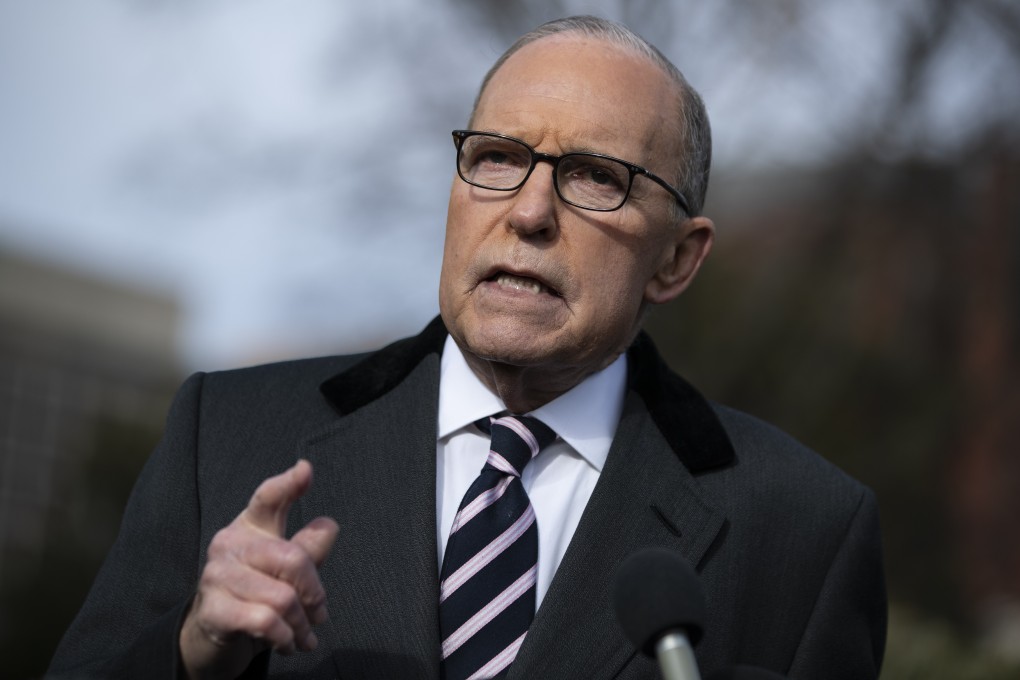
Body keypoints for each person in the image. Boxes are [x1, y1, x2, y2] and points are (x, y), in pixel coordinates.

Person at [48, 15, 886, 680]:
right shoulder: (226, 435)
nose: (527, 212)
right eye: (496, 157)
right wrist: (194, 654)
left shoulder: (803, 526)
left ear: (675, 259)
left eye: (596, 177)